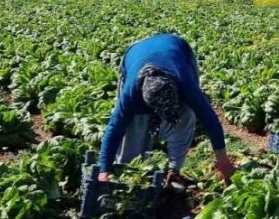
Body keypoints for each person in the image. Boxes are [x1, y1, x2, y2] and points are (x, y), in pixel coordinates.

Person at [97, 33, 236, 185]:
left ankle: (174, 171)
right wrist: (104, 170)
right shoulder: (131, 96)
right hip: (135, 52)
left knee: (186, 116)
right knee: (134, 128)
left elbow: (210, 120)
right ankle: (130, 171)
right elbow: (114, 129)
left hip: (178, 49)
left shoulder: (186, 85)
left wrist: (222, 161)